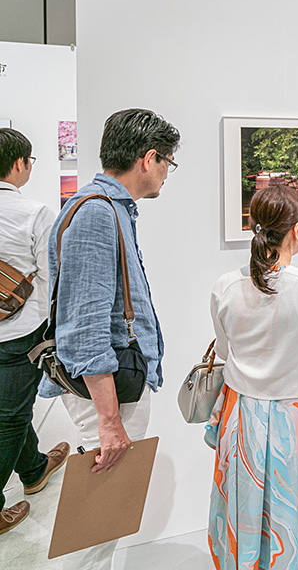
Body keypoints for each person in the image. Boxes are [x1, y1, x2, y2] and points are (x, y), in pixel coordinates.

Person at [41, 108, 180, 569]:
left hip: (112, 388)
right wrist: (108, 421)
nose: (166, 174)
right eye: (168, 163)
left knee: (102, 524)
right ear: (149, 158)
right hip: (109, 394)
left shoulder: (104, 208)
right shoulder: (98, 214)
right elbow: (84, 329)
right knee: (96, 528)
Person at [207, 185, 298, 570]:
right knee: (294, 513)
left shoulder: (225, 286)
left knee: (244, 507)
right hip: (296, 417)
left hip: (240, 415)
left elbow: (222, 352)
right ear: (297, 230)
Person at [0, 128, 69, 535]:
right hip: (21, 331)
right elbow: (51, 275)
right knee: (10, 416)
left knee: (10, 404)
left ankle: (35, 468)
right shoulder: (35, 212)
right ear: (21, 164)